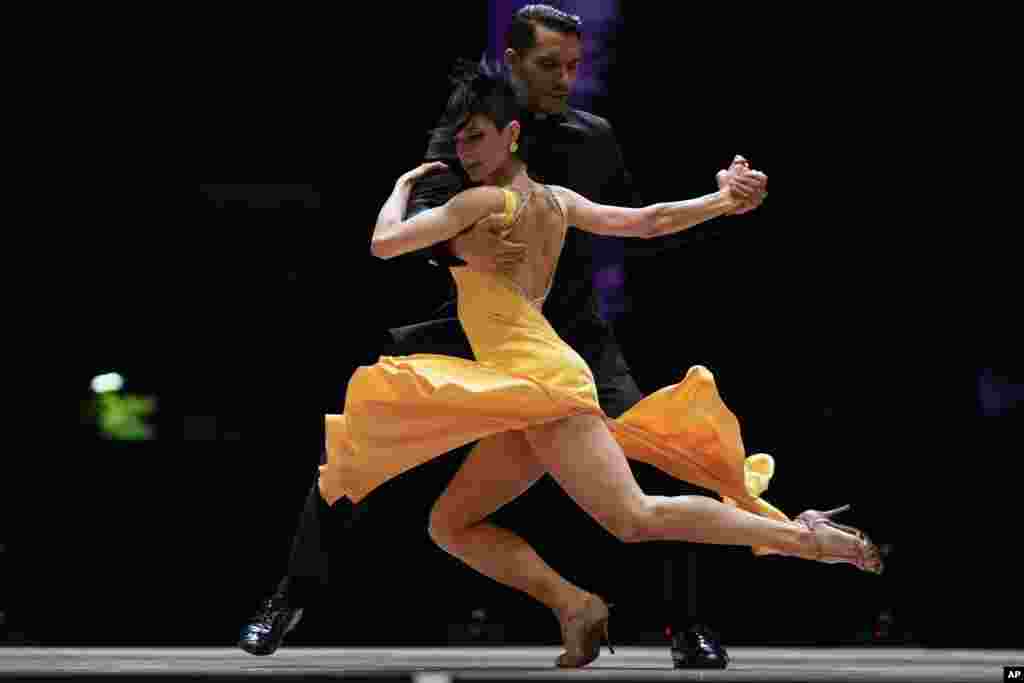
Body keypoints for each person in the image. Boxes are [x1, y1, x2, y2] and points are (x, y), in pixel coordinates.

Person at [238, 4, 766, 667]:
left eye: (574, 67)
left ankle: (686, 623)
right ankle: (289, 595)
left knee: (660, 448)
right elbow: (425, 229)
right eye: (549, 66)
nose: (565, 79)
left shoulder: (594, 136)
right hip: (479, 328)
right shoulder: (468, 133)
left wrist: (721, 198)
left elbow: (640, 220)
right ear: (512, 64)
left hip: (571, 336)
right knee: (359, 438)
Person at [315, 59, 882, 670]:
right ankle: (575, 606)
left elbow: (383, 243)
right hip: (528, 383)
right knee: (451, 523)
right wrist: (721, 200)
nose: (466, 148)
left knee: (634, 517)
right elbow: (650, 222)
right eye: (460, 137)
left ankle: (809, 542)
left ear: (511, 136)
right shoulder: (556, 202)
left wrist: (402, 186)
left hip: (540, 382)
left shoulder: (478, 202)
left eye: (477, 135)